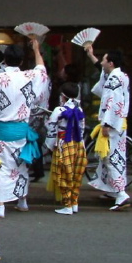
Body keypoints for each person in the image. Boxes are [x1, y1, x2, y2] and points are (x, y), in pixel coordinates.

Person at [0, 40, 48, 218]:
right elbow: (41, 69)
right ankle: (22, 201)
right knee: (21, 167)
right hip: (21, 130)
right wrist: (36, 50)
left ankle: (1, 207)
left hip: (3, 130)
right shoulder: (29, 76)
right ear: (21, 61)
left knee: (1, 168)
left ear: (5, 59)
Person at [85, 45, 131, 211]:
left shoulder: (114, 79)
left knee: (111, 158)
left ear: (110, 63)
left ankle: (121, 193)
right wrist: (91, 55)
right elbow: (102, 72)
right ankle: (113, 190)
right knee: (110, 158)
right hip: (117, 123)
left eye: (104, 59)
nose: (102, 62)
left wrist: (106, 123)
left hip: (112, 124)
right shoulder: (120, 75)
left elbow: (113, 102)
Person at [44, 82, 86, 215]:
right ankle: (74, 202)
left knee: (62, 173)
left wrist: (49, 146)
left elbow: (51, 129)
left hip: (63, 143)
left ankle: (67, 204)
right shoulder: (80, 110)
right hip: (78, 144)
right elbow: (82, 128)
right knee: (76, 173)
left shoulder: (58, 110)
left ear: (62, 96)